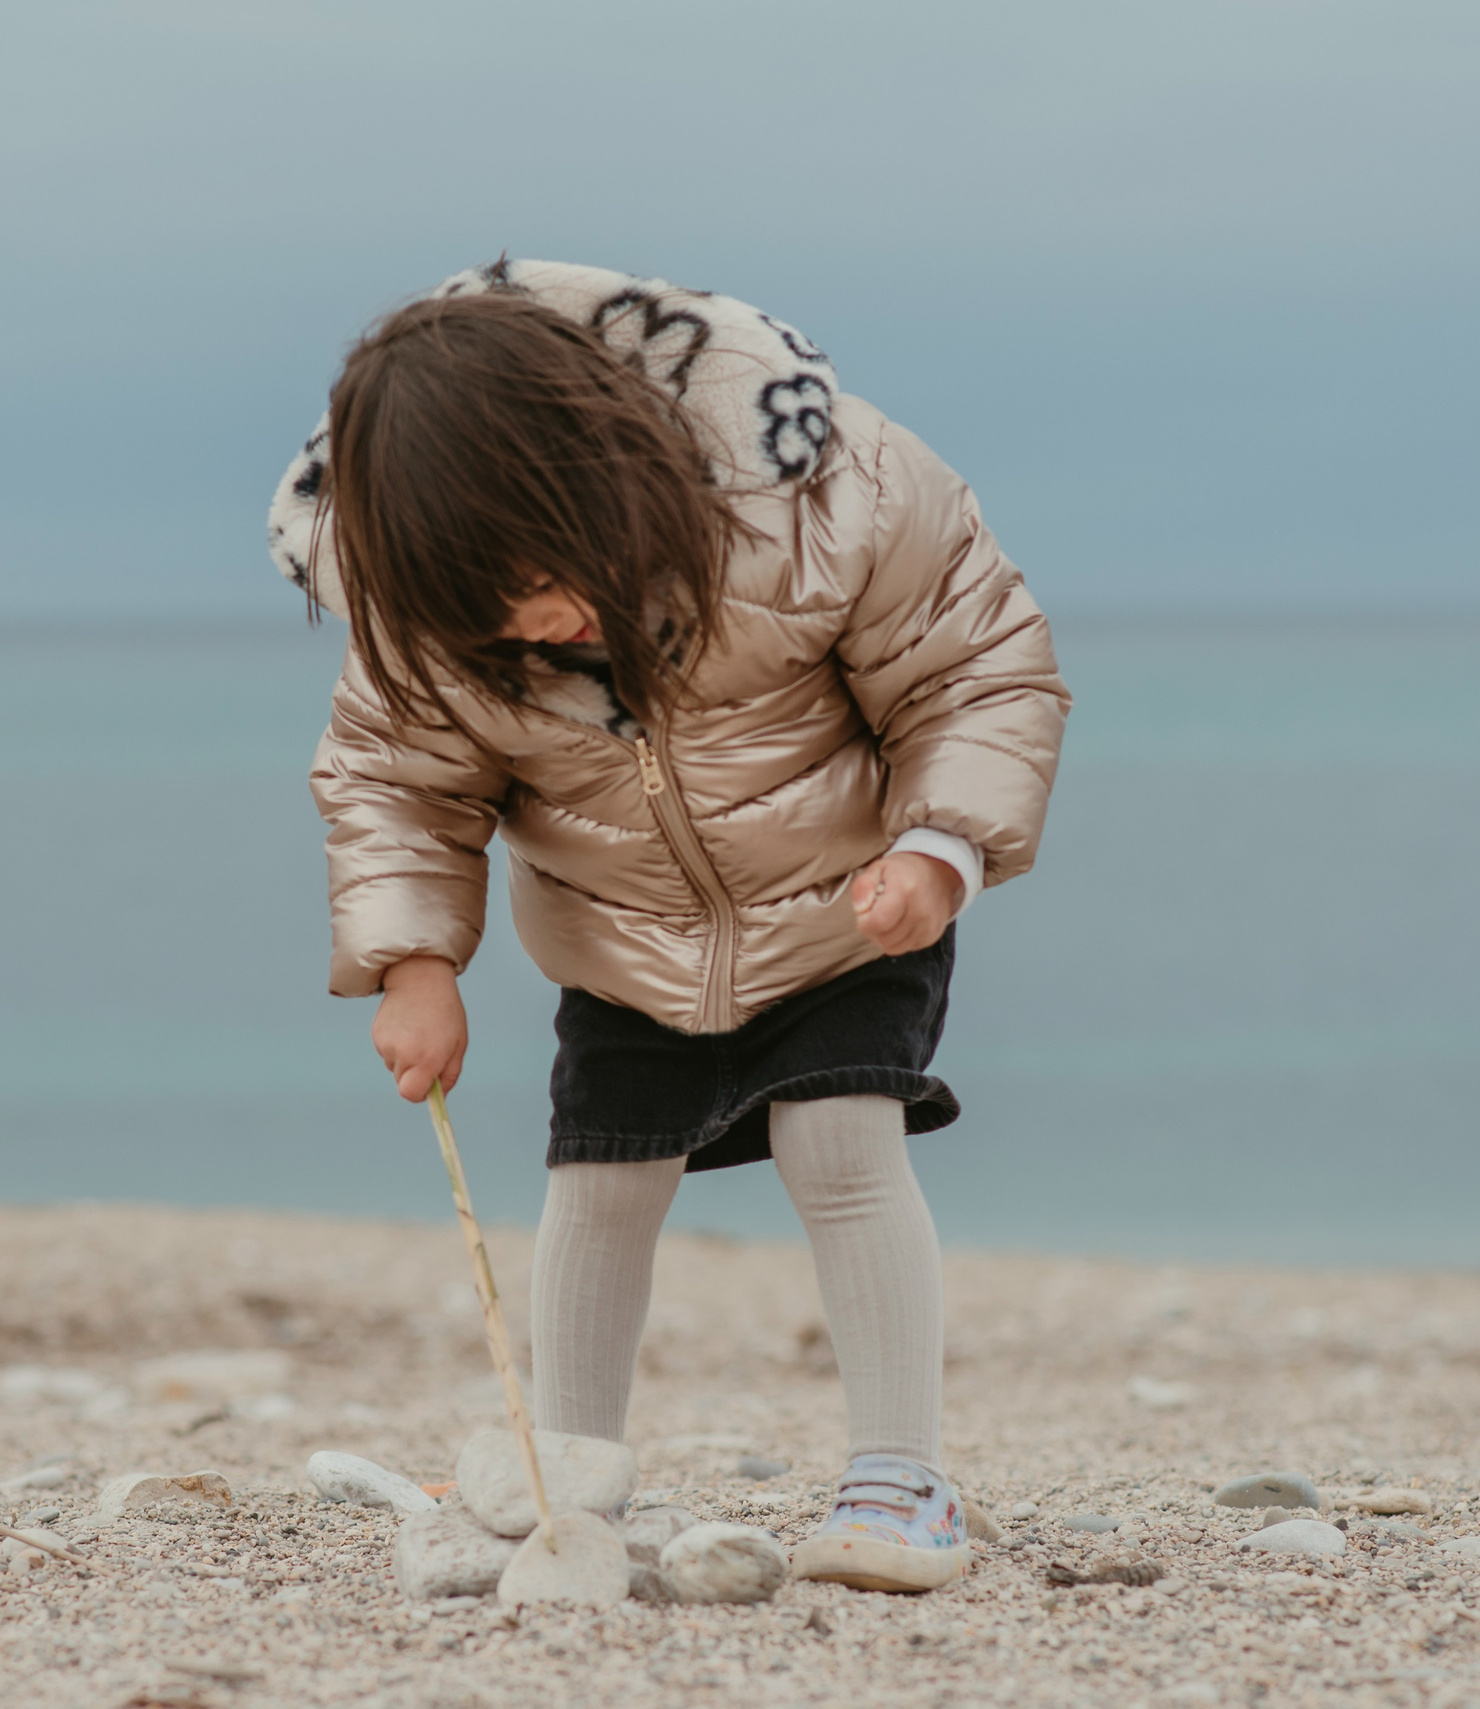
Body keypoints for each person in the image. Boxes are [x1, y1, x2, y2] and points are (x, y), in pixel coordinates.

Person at [267, 259, 1069, 1594]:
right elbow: (398, 785)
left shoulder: (828, 495)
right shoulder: (427, 615)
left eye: (547, 577)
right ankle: (565, 1473)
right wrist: (415, 964)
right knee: (601, 1184)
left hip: (849, 906)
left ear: (614, 468)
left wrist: (942, 850)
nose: (539, 622)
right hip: (621, 939)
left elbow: (974, 669)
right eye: (496, 615)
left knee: (839, 1139)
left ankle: (900, 1472)